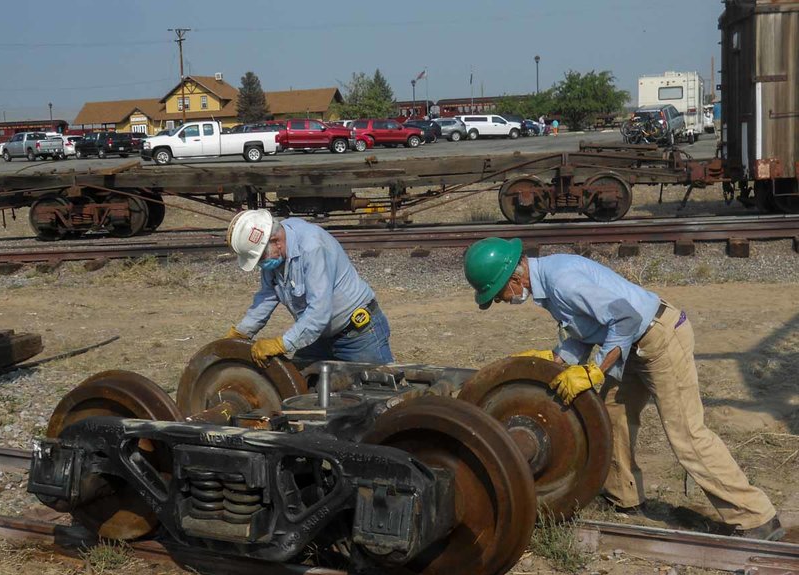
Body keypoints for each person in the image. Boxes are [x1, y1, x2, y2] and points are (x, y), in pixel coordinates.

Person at [461, 236, 784, 540]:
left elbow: (625, 318)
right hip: (628, 343)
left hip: (658, 339)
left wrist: (594, 371)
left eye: (498, 294)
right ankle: (624, 496)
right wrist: (557, 358)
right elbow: (587, 327)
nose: (502, 301)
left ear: (513, 279)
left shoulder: (563, 282)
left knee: (686, 433)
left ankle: (755, 517)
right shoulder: (547, 283)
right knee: (611, 416)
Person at [225, 209, 393, 368]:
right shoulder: (277, 250)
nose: (261, 264)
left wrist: (281, 344)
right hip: (318, 337)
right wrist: (242, 333)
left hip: (358, 336)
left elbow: (318, 312)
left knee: (379, 391)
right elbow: (268, 295)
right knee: (300, 387)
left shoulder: (312, 247)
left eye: (261, 258)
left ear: (276, 241)